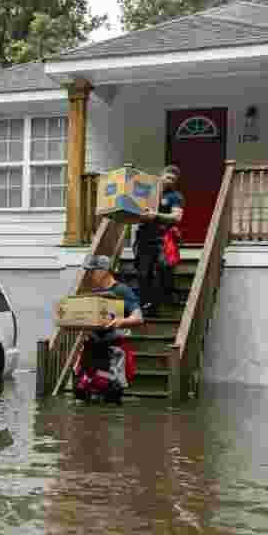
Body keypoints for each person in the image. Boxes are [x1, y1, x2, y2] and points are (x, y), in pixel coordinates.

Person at [72, 254, 143, 402]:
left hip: (112, 353)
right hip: (92, 352)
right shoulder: (94, 294)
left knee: (110, 395)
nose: (90, 275)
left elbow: (138, 318)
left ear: (103, 271)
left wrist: (121, 321)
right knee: (82, 392)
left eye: (92, 271)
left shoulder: (122, 291)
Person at [134, 165, 184, 317]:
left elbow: (177, 217)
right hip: (144, 237)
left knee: (164, 267)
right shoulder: (146, 192)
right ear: (161, 176)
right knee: (143, 273)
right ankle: (146, 304)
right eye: (167, 177)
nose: (169, 181)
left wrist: (155, 215)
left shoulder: (175, 196)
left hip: (163, 238)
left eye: (173, 179)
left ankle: (165, 296)